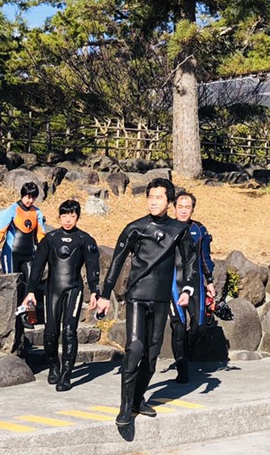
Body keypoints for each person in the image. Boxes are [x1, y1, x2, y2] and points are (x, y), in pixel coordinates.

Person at [97, 178, 197, 429]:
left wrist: (187, 289)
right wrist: (104, 294)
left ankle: (138, 399)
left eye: (159, 197)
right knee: (135, 348)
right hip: (137, 297)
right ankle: (124, 406)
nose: (153, 201)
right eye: (150, 196)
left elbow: (190, 262)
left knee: (152, 356)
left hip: (162, 299)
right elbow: (116, 263)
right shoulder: (135, 228)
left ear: (169, 201)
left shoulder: (179, 230)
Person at [22, 199, 101, 392]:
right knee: (50, 334)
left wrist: (95, 292)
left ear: (77, 217)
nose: (68, 219)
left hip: (74, 289)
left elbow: (92, 268)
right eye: (64, 215)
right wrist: (30, 291)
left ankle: (66, 373)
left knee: (69, 331)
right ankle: (54, 365)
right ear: (59, 216)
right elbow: (38, 266)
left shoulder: (85, 239)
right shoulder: (50, 239)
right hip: (52, 290)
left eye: (72, 216)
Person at [0, 182, 48, 359]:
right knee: (14, 285)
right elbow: (0, 231)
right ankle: (12, 315)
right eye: (27, 196)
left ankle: (28, 316)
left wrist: (44, 252)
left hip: (29, 253)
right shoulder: (11, 210)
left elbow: (41, 235)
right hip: (11, 253)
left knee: (30, 285)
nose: (30, 200)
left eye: (33, 197)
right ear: (22, 195)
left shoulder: (37, 213)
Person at [169, 189, 216, 384]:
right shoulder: (167, 227)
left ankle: (183, 351)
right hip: (173, 283)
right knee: (178, 327)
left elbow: (205, 257)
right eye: (180, 207)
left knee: (200, 326)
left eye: (187, 207)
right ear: (174, 208)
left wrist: (210, 281)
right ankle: (182, 369)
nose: (183, 211)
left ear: (192, 209)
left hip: (195, 282)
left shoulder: (199, 229)